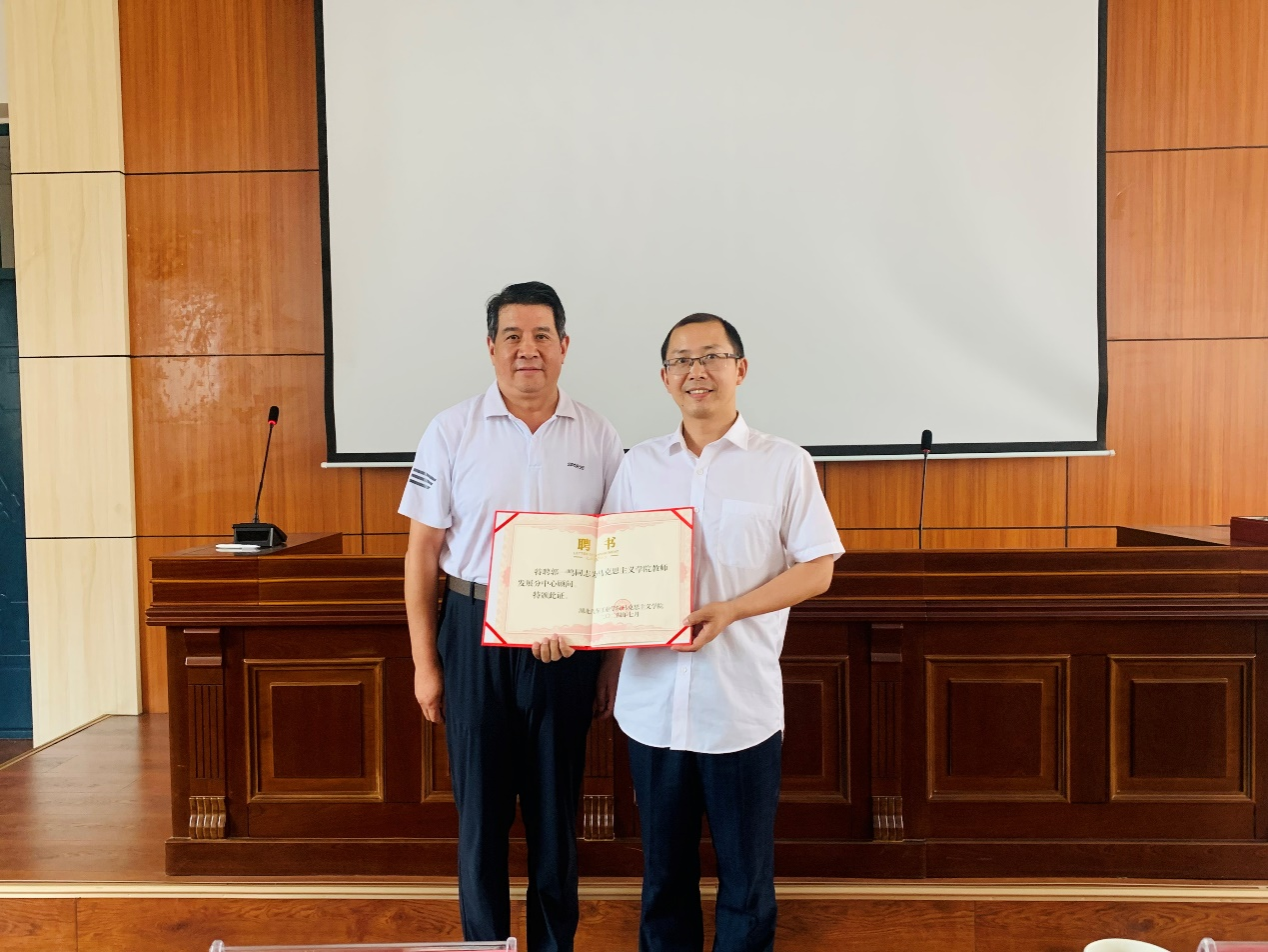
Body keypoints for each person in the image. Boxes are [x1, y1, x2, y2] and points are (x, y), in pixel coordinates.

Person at [535, 312, 842, 952]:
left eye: (711, 356)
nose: (696, 371)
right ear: (665, 377)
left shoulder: (785, 464)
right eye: (681, 360)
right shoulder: (639, 467)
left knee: (747, 884)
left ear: (740, 369)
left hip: (740, 709)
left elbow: (818, 570)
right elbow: (602, 567)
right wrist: (557, 622)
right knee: (664, 882)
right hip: (653, 707)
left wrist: (731, 610)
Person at [399, 281, 625, 952]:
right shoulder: (451, 430)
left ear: (564, 345)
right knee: (482, 821)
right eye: (513, 337)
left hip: (568, 643)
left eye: (542, 336)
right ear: (491, 347)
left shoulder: (598, 433)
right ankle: (485, 947)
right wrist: (425, 663)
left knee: (556, 819)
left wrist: (609, 662)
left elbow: (618, 553)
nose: (528, 350)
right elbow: (421, 553)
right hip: (473, 635)